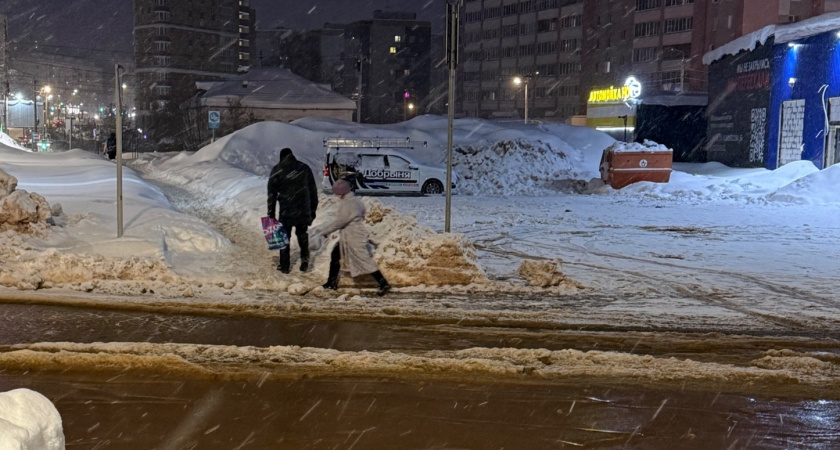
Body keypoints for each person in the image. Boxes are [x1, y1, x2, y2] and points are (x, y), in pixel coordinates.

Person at [319, 179, 391, 296]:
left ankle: (382, 282)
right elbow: (362, 214)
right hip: (351, 234)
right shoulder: (356, 201)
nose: (336, 195)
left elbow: (340, 221)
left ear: (341, 192)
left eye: (337, 192)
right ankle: (331, 283)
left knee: (363, 260)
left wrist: (325, 231)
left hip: (353, 235)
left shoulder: (348, 203)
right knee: (335, 255)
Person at [267, 148, 319, 273]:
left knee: (284, 238)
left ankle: (284, 266)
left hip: (287, 210)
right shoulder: (304, 168)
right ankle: (305, 259)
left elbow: (271, 195)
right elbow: (313, 191)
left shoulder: (277, 170)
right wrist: (313, 210)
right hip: (303, 209)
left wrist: (271, 214)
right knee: (302, 235)